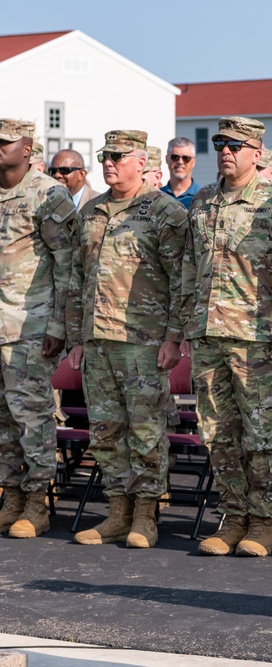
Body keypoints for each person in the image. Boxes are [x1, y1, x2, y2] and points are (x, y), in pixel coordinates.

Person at [185, 117, 272, 558]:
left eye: (236, 144)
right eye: (220, 144)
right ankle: (232, 517)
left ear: (257, 152)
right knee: (218, 434)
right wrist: (184, 326)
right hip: (208, 337)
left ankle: (263, 522)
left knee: (259, 435)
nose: (226, 151)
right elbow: (187, 269)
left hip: (258, 340)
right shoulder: (202, 202)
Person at [66, 130, 188, 549]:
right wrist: (76, 336)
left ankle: (145, 515)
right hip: (97, 341)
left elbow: (182, 280)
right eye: (105, 156)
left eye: (119, 156)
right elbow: (76, 279)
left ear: (141, 161)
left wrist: (174, 338)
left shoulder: (165, 212)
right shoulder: (92, 211)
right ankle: (116, 512)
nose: (109, 163)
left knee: (145, 430)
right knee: (105, 431)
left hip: (144, 342)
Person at [0, 120, 75, 538]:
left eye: (6, 142)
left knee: (32, 418)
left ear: (27, 148)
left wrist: (59, 325)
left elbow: (67, 264)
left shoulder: (48, 194)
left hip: (29, 326)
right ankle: (10, 496)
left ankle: (36, 503)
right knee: (2, 421)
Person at [161, 137, 200, 209]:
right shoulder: (157, 196)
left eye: (186, 158)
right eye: (175, 157)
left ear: (194, 161)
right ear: (167, 159)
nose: (180, 162)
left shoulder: (203, 197)